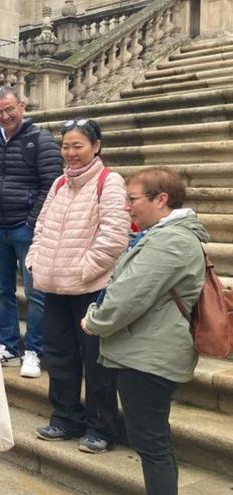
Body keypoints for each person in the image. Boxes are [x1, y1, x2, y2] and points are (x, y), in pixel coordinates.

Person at [82, 167, 206, 495]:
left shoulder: (171, 240)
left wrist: (94, 319)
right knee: (153, 441)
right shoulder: (164, 235)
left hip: (149, 358)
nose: (127, 206)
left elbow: (129, 296)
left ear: (161, 199)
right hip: (146, 352)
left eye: (133, 199)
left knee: (151, 444)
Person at [25, 119, 130, 454]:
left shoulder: (108, 182)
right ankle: (66, 416)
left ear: (96, 146)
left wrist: (82, 270)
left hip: (90, 288)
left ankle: (101, 426)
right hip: (54, 285)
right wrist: (35, 260)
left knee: (96, 361)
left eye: (78, 146)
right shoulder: (58, 184)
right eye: (66, 146)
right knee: (58, 356)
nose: (70, 153)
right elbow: (41, 227)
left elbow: (114, 238)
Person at [0, 85, 63, 378]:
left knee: (36, 293)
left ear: (22, 106)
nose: (4, 116)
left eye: (9, 109)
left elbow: (50, 184)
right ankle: (9, 344)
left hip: (27, 228)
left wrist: (32, 221)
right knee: (2, 290)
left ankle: (34, 350)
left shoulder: (41, 140)